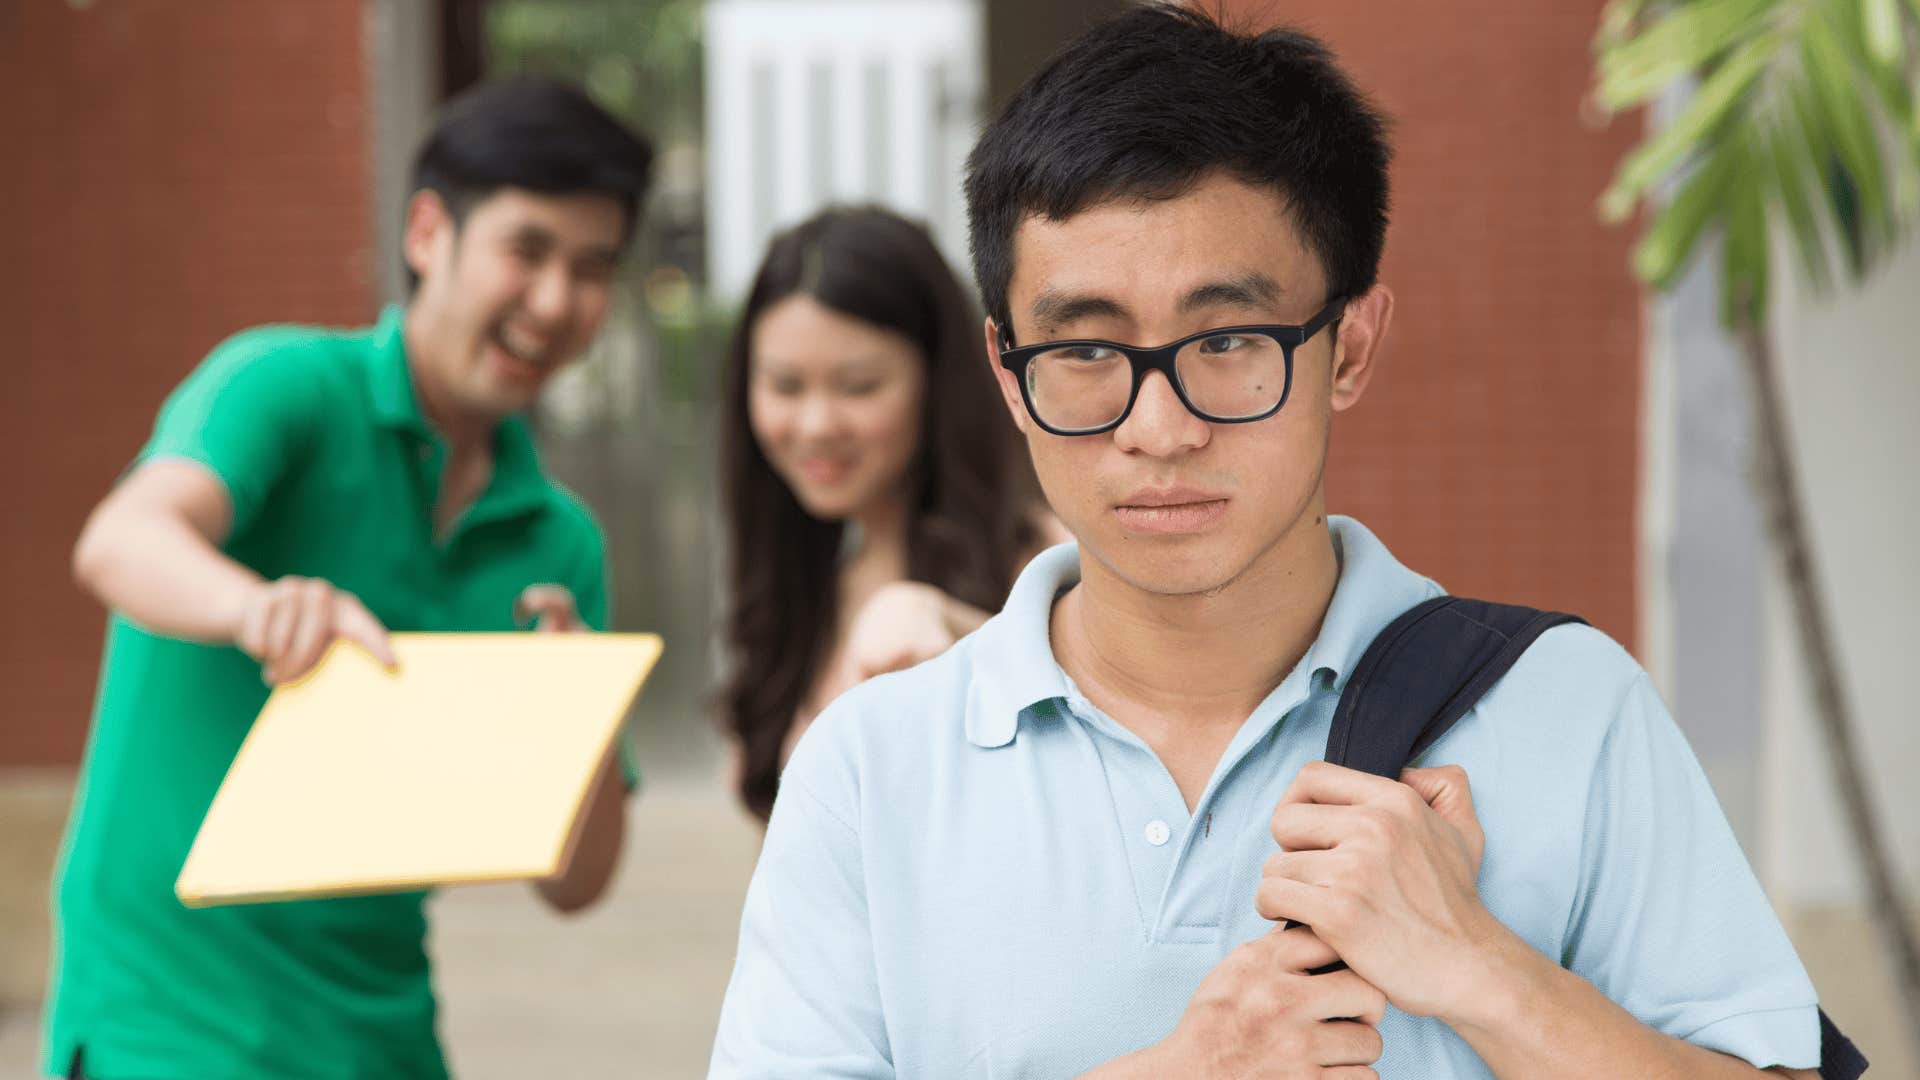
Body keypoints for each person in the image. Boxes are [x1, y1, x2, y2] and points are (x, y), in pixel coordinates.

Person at [709, 8, 1829, 1078]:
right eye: (1086, 349)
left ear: (1349, 346)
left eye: (1230, 340)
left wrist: (1483, 968)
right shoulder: (866, 770)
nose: (1159, 427)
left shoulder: (1575, 711)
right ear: (1009, 374)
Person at [45, 78, 652, 1080]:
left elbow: (577, 884)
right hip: (163, 1029)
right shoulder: (282, 387)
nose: (555, 302)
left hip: (383, 1041)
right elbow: (119, 540)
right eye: (527, 250)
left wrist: (579, 717)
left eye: (591, 269)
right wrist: (259, 607)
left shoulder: (558, 541)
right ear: (427, 234)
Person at [718, 206, 1061, 821]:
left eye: (859, 386)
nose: (818, 425)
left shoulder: (1050, 565)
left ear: (935, 381)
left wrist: (955, 628)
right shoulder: (799, 591)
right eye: (785, 386)